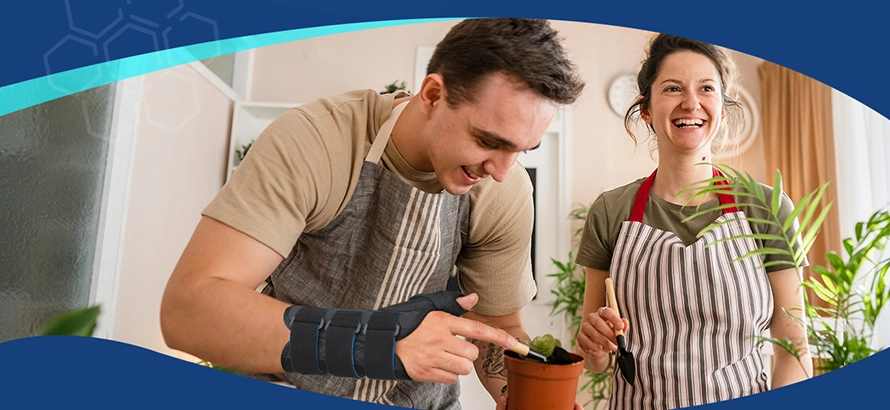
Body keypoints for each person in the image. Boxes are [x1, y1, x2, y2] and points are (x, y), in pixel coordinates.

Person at [160, 18, 585, 409]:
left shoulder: (503, 190)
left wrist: (525, 396)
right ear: (433, 95)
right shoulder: (318, 142)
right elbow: (189, 312)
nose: (500, 170)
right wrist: (377, 344)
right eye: (489, 141)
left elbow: (499, 326)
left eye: (521, 150)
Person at [573, 34, 812, 409]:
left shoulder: (767, 208)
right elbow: (596, 360)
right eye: (672, 88)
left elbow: (793, 345)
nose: (691, 102)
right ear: (647, 109)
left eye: (706, 88)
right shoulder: (610, 212)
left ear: (721, 105)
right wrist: (593, 343)